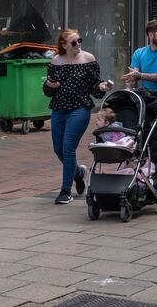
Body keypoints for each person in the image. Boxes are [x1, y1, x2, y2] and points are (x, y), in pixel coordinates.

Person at [43, 29, 112, 204]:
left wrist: (102, 87)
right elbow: (47, 91)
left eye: (79, 40)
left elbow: (95, 86)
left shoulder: (88, 59)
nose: (78, 44)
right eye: (74, 42)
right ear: (64, 45)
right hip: (59, 109)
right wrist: (51, 85)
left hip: (80, 108)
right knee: (58, 149)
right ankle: (79, 174)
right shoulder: (55, 61)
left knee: (68, 148)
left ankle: (66, 191)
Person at [121, 19, 157, 191]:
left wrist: (141, 76)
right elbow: (132, 78)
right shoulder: (140, 53)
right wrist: (128, 92)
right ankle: (146, 180)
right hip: (146, 104)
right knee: (145, 142)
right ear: (150, 34)